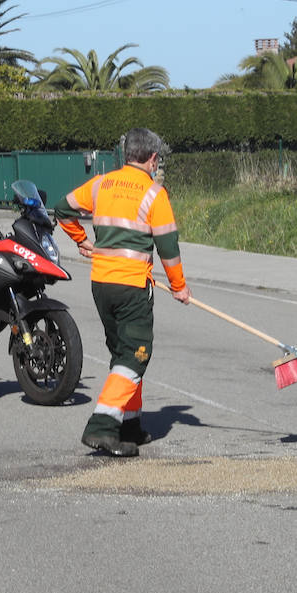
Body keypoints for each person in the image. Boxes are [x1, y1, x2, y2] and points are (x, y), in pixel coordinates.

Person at [54, 128, 191, 457]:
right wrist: (179, 286)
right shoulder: (154, 194)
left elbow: (62, 208)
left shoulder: (101, 184)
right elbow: (168, 247)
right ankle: (101, 427)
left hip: (101, 284)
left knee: (121, 354)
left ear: (127, 154)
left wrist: (82, 241)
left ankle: (129, 424)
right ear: (153, 158)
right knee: (135, 354)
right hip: (132, 287)